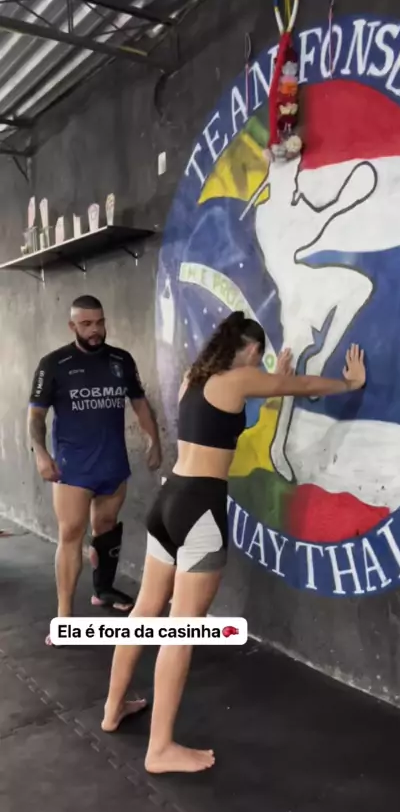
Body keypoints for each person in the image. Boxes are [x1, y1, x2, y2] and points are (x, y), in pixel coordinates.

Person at [100, 311, 366, 774]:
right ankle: (160, 749)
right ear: (250, 349)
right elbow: (304, 386)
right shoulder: (240, 378)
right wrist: (350, 384)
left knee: (144, 612)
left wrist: (274, 382)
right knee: (181, 629)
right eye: (259, 358)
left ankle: (112, 709)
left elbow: (223, 424)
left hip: (168, 502)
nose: (259, 365)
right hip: (200, 508)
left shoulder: (193, 379)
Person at [27, 295, 162, 645]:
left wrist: (154, 440)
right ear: (72, 326)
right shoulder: (53, 364)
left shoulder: (121, 360)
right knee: (71, 534)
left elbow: (139, 403)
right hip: (73, 468)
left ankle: (103, 591)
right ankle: (64, 619)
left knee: (106, 527)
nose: (95, 330)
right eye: (86, 324)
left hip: (112, 463)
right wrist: (41, 453)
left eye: (100, 322)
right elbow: (36, 416)